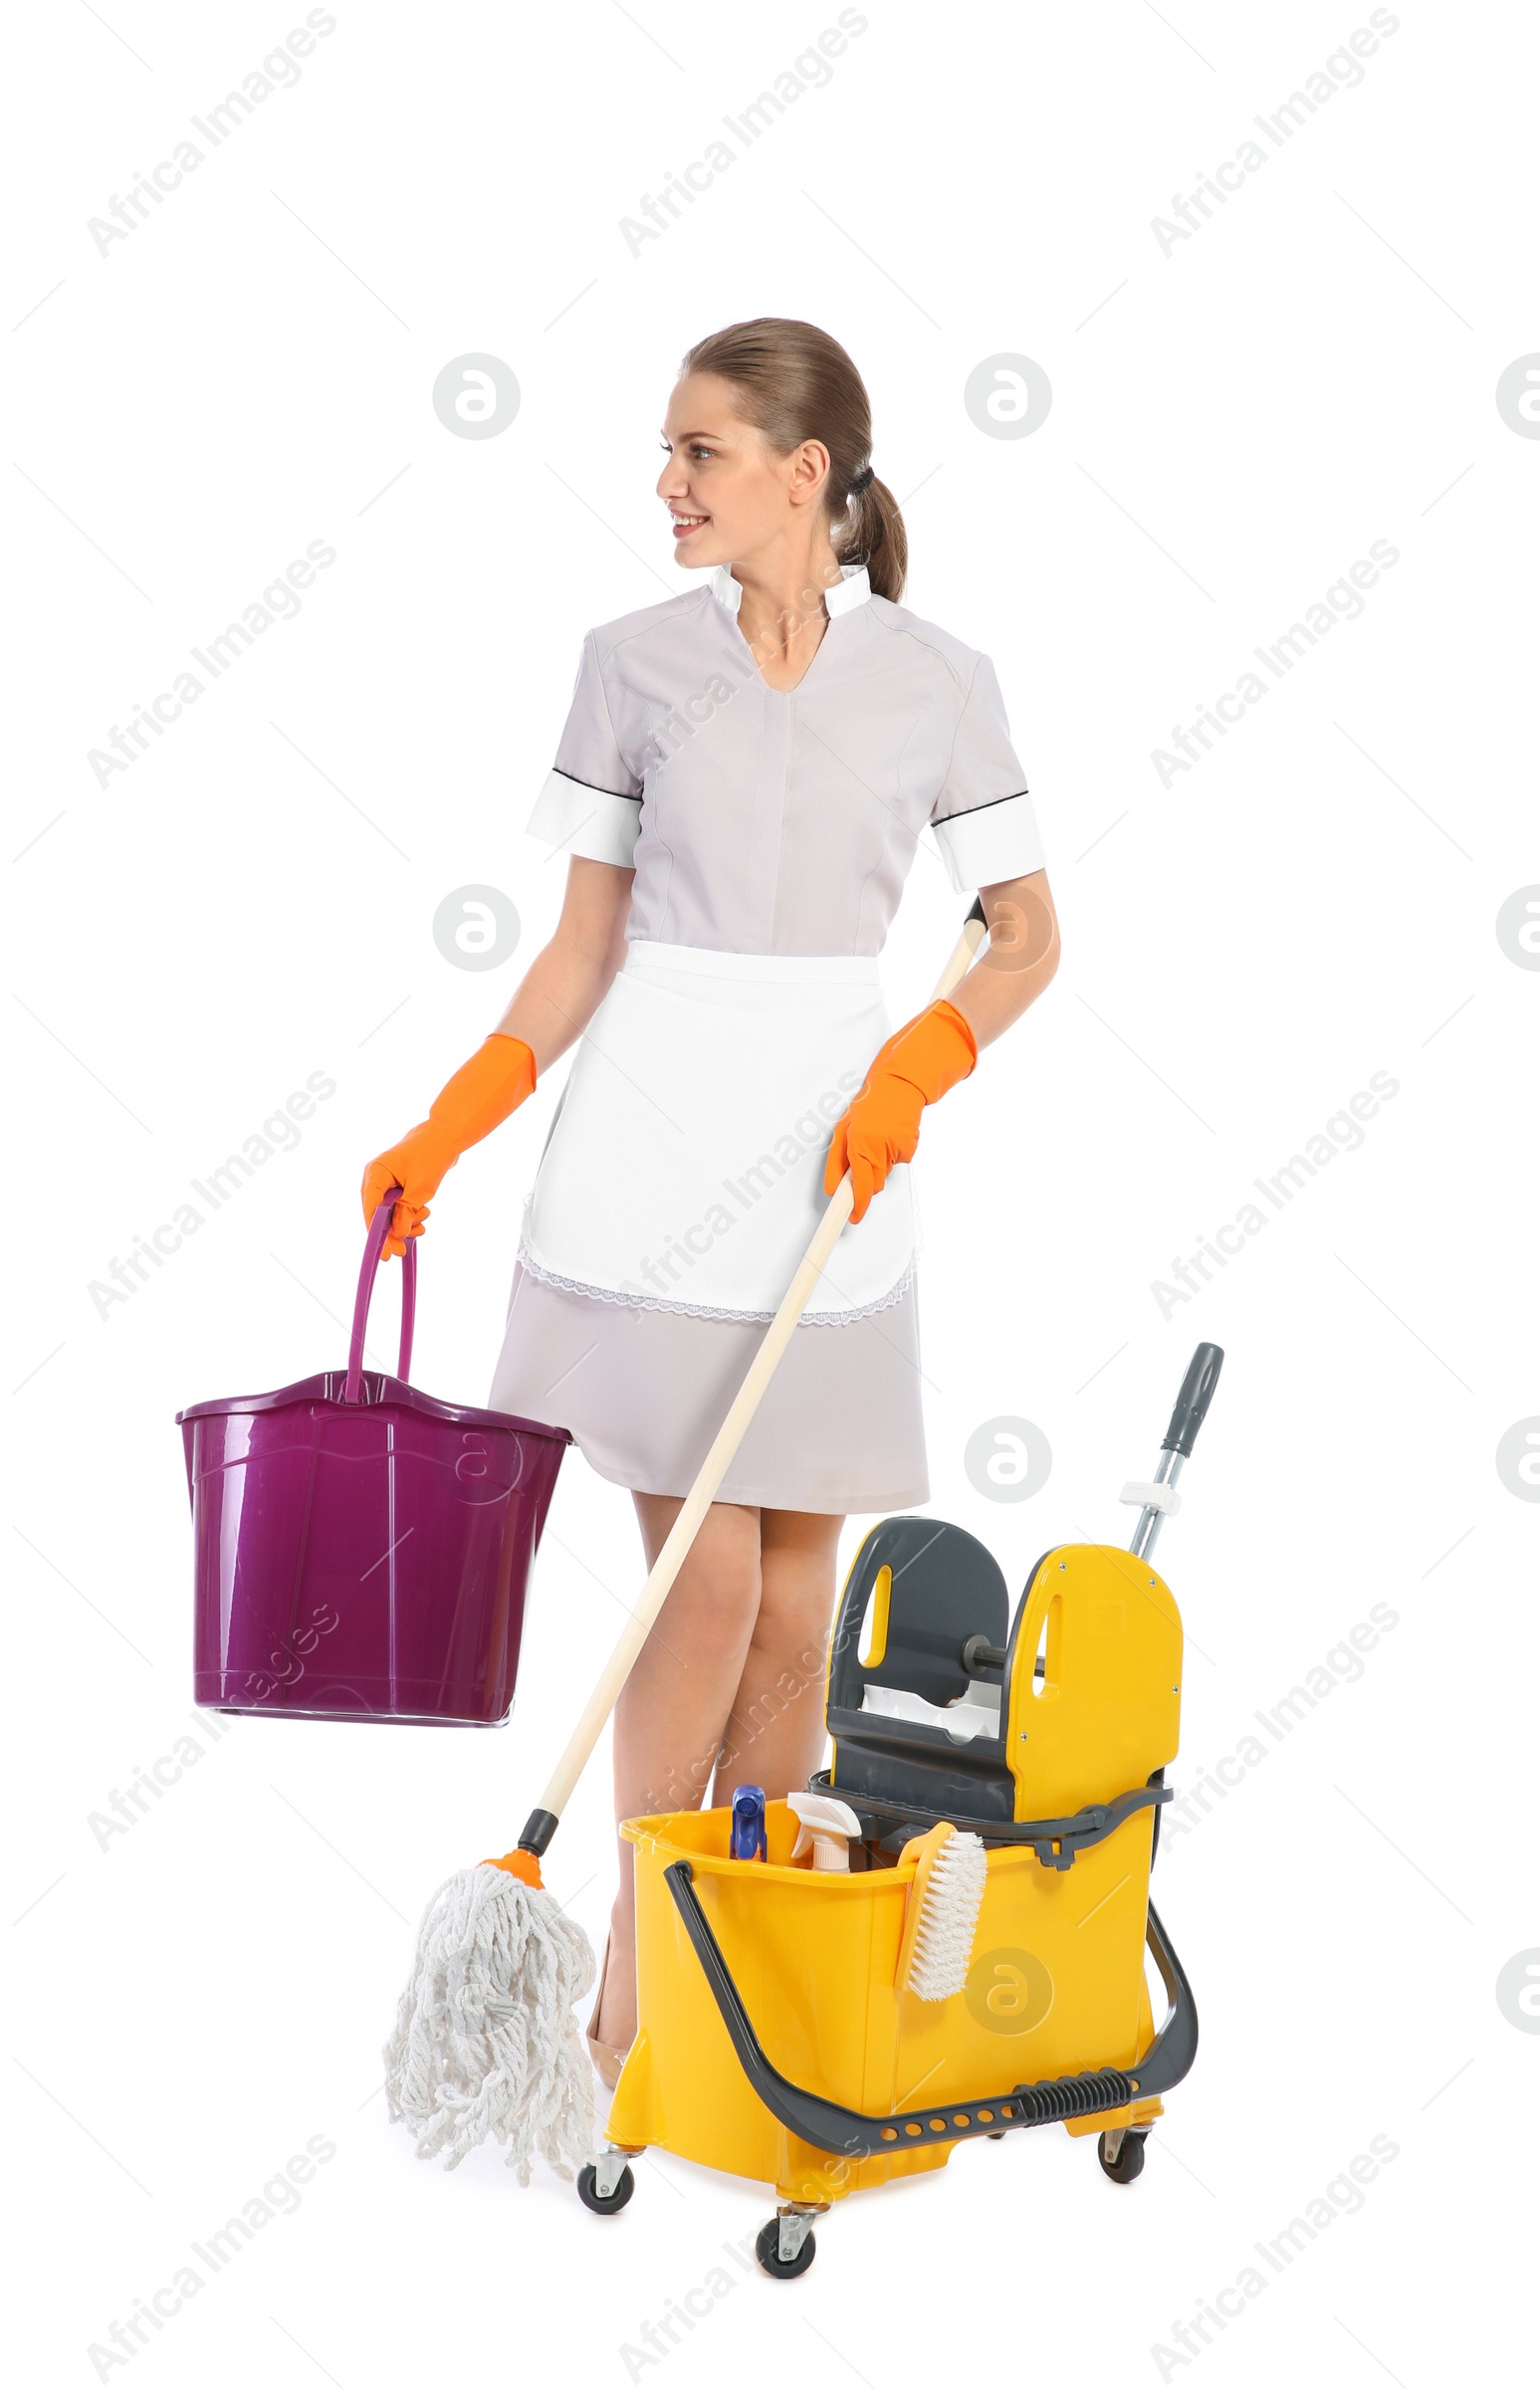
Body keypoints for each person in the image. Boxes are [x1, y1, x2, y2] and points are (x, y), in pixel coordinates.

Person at [361, 318, 1060, 2085]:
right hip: (654, 1159)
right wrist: (456, 1118)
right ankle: (639, 1965)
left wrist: (923, 1062)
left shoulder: (941, 679)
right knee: (707, 1573)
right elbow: (585, 942)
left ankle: (738, 1973)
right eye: (667, 454)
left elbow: (1029, 936)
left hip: (838, 1153)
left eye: (699, 452)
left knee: (803, 1607)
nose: (665, 484)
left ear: (804, 472)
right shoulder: (628, 662)